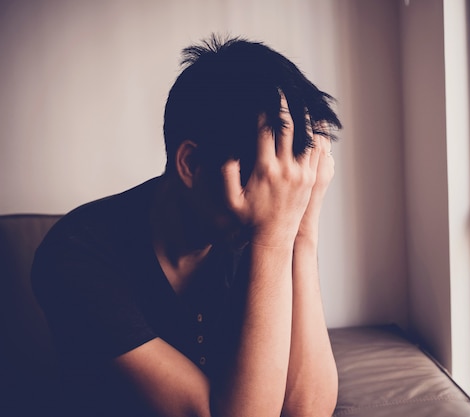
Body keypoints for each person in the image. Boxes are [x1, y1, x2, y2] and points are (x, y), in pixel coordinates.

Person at [32, 35, 342, 417]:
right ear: (191, 165)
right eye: (260, 177)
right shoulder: (77, 255)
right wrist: (275, 239)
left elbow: (308, 411)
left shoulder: (257, 234)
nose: (277, 199)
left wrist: (303, 233)